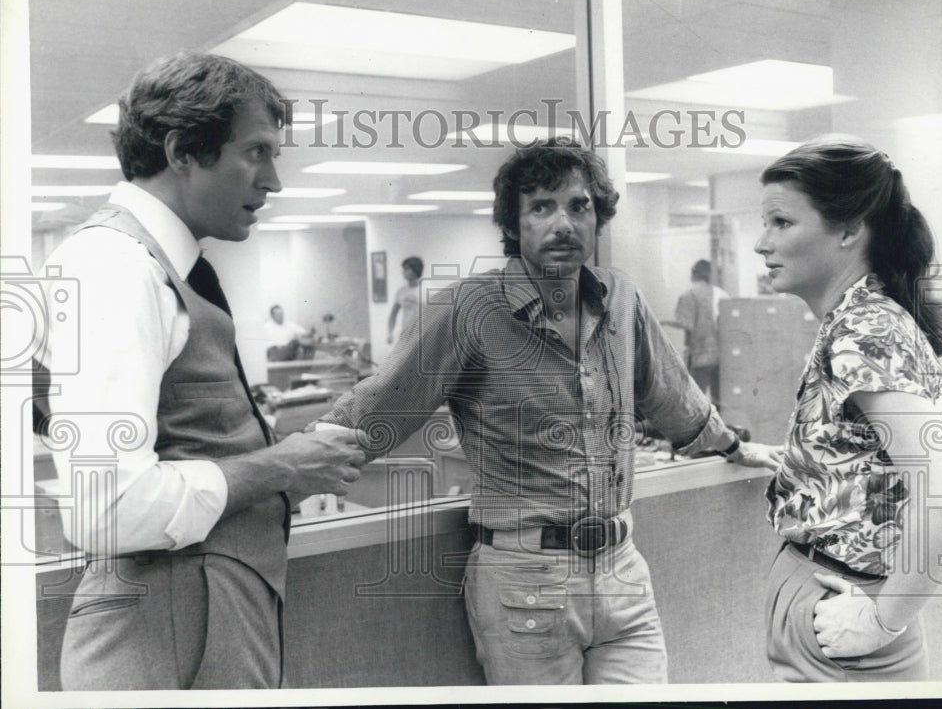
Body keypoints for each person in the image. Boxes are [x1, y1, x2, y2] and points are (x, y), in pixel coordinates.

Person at [312, 137, 775, 684]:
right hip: (525, 579)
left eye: (579, 206)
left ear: (597, 217)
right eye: (541, 207)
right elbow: (378, 408)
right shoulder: (469, 310)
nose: (564, 223)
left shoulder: (620, 298)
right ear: (514, 222)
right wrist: (289, 474)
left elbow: (673, 396)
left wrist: (734, 447)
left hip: (622, 570)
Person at [38, 52, 368, 690]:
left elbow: (186, 438)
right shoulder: (117, 266)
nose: (273, 181)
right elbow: (105, 508)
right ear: (183, 149)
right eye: (257, 152)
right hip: (168, 621)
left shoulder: (164, 264)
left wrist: (282, 475)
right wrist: (279, 467)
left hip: (206, 605)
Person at [745, 134, 942, 681]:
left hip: (846, 609)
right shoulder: (872, 317)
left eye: (781, 223)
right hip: (837, 593)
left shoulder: (864, 330)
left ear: (849, 231)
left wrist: (882, 621)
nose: (761, 243)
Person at [673, 259, 729, 402]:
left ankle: (702, 425)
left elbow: (687, 324)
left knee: (696, 398)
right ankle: (720, 424)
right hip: (721, 355)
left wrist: (664, 323)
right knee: (719, 398)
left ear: (693, 274)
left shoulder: (688, 295)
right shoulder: (722, 294)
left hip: (699, 355)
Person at [386, 255, 423, 345]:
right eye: (403, 269)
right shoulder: (401, 291)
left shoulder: (427, 290)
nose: (403, 272)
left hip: (423, 336)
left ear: (415, 270)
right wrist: (390, 332)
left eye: (406, 269)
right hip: (406, 336)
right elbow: (393, 314)